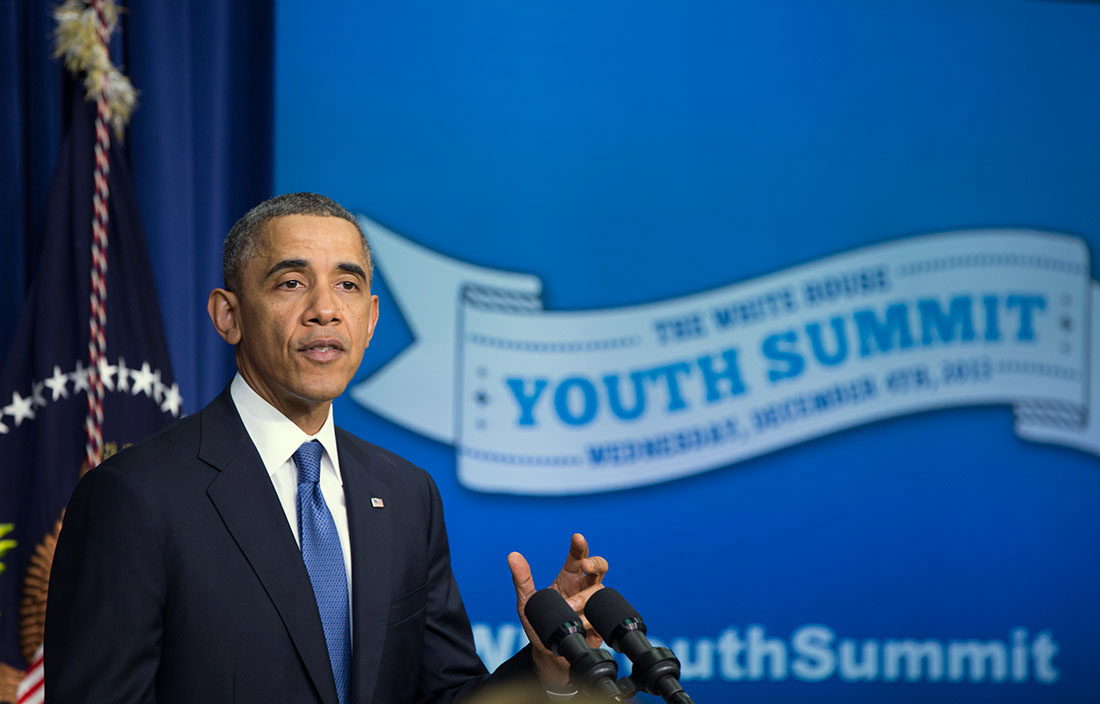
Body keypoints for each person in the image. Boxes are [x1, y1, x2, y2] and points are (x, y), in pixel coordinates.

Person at [44, 193, 608, 703]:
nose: (325, 309)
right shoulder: (134, 496)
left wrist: (544, 668)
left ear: (370, 320)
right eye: (291, 283)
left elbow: (441, 693)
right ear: (229, 315)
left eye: (348, 284)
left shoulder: (407, 494)